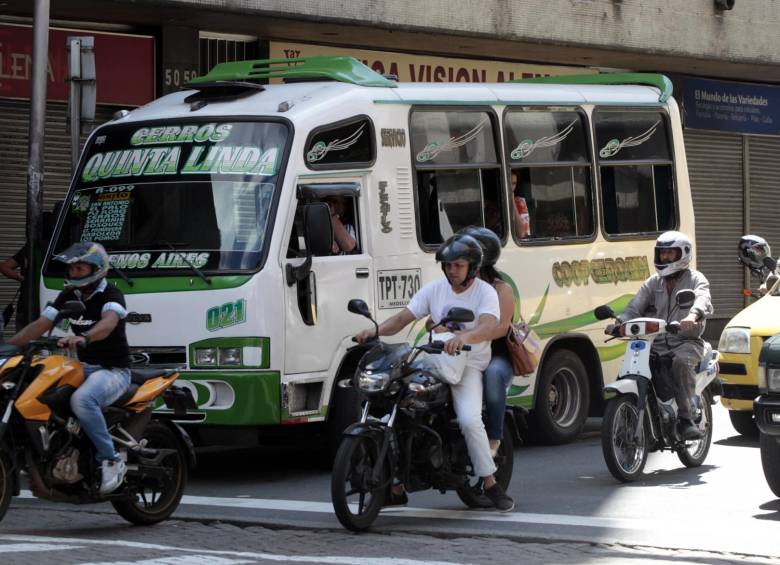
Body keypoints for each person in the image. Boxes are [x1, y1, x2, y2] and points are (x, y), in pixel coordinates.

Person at [355, 233, 514, 511]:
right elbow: (404, 317)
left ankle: (490, 482)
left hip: (469, 365)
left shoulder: (485, 292)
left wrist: (464, 338)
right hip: (434, 359)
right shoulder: (435, 289)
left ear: (473, 267)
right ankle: (396, 485)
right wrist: (374, 330)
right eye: (448, 265)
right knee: (399, 403)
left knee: (468, 419)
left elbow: (490, 325)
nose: (452, 270)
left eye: (458, 265)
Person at [9, 241, 131, 494]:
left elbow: (108, 323)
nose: (73, 273)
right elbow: (40, 324)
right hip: (82, 366)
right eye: (72, 269)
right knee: (36, 388)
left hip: (112, 370)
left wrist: (84, 337)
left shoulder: (112, 295)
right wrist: (8, 347)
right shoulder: (69, 295)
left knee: (83, 401)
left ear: (97, 269)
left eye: (80, 268)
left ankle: (111, 460)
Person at [605, 231, 713, 440]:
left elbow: (703, 299)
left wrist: (692, 315)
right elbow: (634, 307)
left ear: (683, 254)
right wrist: (619, 323)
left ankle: (686, 418)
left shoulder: (695, 279)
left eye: (670, 253)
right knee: (632, 366)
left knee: (681, 364)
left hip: (686, 341)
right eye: (662, 254)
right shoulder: (653, 283)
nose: (665, 258)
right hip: (653, 343)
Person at [460, 226, 516, 458]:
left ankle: (493, 439)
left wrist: (470, 334)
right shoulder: (456, 287)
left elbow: (502, 328)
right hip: (462, 356)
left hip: (497, 357)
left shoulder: (502, 289)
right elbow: (435, 319)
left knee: (493, 376)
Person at [0, 244, 28, 330]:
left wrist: (22, 279)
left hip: (24, 305)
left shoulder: (28, 248)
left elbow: (4, 267)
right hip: (26, 305)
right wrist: (23, 279)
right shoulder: (29, 249)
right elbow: (3, 267)